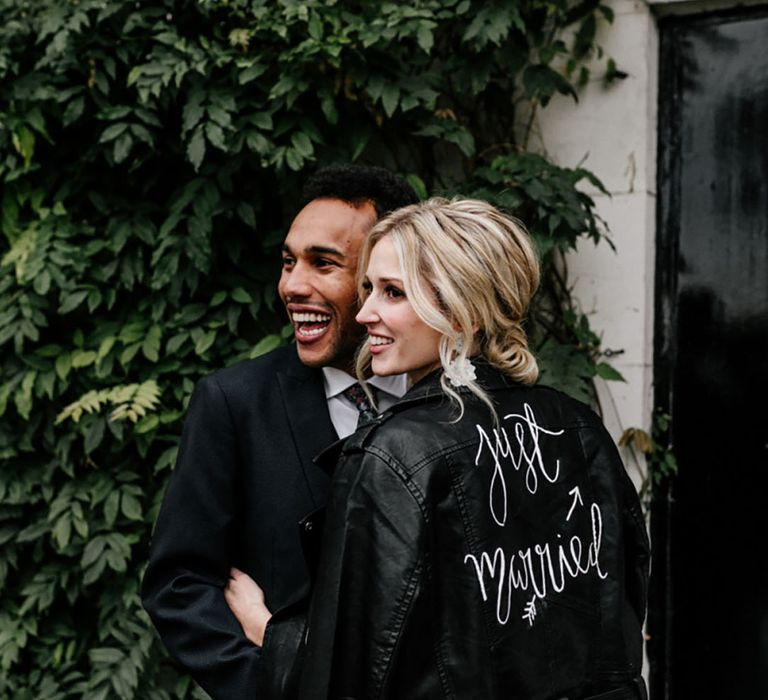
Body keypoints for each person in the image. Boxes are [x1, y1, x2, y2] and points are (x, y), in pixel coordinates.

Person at [227, 197, 651, 699]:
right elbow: (624, 606)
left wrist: (266, 630)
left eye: (393, 293)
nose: (364, 313)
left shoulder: (393, 454)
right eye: (369, 289)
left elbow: (356, 673)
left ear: (462, 311)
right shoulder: (581, 429)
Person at [141, 164, 419, 700]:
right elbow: (179, 585)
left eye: (323, 263)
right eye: (288, 261)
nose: (292, 285)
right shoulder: (234, 403)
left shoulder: (449, 402)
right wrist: (270, 682)